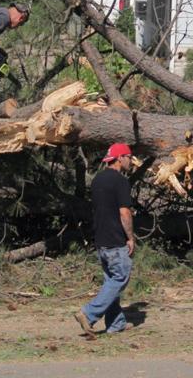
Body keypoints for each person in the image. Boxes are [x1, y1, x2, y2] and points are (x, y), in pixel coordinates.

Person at [74, 142, 136, 337]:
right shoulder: (120, 181)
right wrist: (130, 238)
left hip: (100, 239)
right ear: (120, 158)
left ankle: (116, 324)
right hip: (115, 239)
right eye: (129, 157)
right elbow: (124, 213)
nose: (131, 161)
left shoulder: (97, 180)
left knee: (111, 280)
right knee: (120, 277)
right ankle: (88, 313)